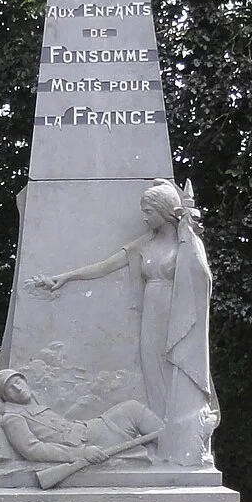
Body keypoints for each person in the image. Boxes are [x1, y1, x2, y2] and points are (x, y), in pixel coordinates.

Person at [27, 177, 217, 464]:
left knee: (179, 373)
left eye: (148, 210)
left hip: (179, 315)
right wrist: (65, 278)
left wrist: (188, 236)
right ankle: (163, 441)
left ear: (165, 212)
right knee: (154, 377)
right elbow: (105, 266)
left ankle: (185, 443)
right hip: (152, 316)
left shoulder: (187, 243)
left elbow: (201, 280)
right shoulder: (144, 245)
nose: (143, 216)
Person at [0, 369, 160, 466]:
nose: (18, 388)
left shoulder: (36, 403)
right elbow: (33, 450)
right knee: (133, 410)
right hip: (89, 442)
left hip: (89, 429)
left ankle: (172, 451)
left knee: (132, 408)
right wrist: (81, 453)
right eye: (10, 388)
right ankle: (175, 448)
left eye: (18, 381)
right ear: (6, 396)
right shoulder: (12, 418)